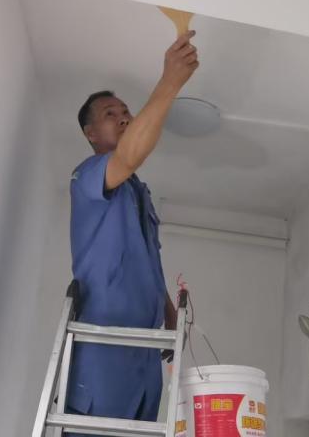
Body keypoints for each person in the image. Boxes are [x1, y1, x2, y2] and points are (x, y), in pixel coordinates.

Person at [65, 30, 200, 431]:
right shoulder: (87, 177)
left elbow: (146, 264)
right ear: (91, 134)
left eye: (126, 110)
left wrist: (169, 314)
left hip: (146, 354)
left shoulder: (138, 193)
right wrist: (170, 82)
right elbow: (128, 156)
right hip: (104, 349)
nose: (124, 116)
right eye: (111, 114)